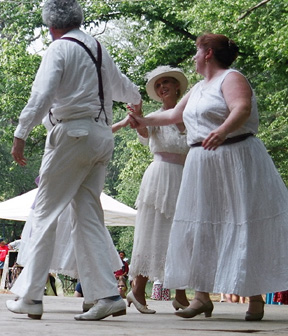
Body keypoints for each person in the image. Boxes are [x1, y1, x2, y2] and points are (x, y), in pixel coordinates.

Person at [129, 33, 288, 321]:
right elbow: (175, 115)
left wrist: (223, 130)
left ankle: (254, 298)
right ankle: (201, 296)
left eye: (197, 51)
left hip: (236, 157)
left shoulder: (231, 78)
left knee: (243, 221)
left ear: (209, 54)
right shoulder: (200, 88)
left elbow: (242, 108)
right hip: (202, 162)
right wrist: (143, 120)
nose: (193, 56)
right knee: (201, 225)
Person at [6, 0, 141, 321]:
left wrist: (21, 133)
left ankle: (30, 296)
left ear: (51, 27)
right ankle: (108, 295)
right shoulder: (98, 49)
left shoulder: (59, 49)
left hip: (72, 135)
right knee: (89, 216)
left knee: (44, 212)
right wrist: (135, 103)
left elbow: (42, 94)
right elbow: (125, 89)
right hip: (100, 137)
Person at [126, 66, 190, 314]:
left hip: (185, 177)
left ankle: (182, 294)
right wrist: (139, 117)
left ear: (177, 88)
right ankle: (138, 289)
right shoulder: (153, 117)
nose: (163, 87)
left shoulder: (190, 115)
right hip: (160, 175)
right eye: (159, 84)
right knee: (153, 231)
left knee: (182, 233)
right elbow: (142, 131)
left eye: (167, 83)